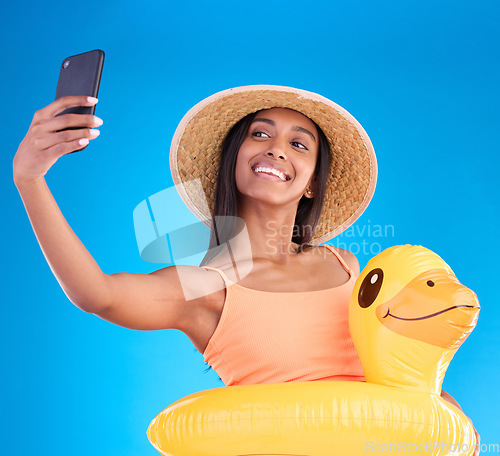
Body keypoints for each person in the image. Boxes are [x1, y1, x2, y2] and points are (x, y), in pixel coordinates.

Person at [12, 85, 479, 454]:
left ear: (313, 181)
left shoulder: (345, 265)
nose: (277, 149)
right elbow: (98, 294)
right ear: (233, 158)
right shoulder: (206, 289)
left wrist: (442, 417)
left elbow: (393, 369)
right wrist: (29, 179)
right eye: (259, 134)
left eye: (300, 144)